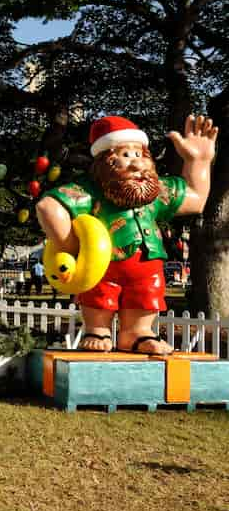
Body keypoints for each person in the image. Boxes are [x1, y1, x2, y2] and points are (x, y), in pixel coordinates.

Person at [36, 115, 216, 354]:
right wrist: (71, 247)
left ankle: (137, 334)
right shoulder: (90, 190)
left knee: (146, 295)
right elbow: (49, 206)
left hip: (147, 266)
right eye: (126, 155)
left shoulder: (156, 192)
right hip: (102, 266)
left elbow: (196, 199)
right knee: (99, 294)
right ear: (105, 162)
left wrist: (198, 162)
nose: (137, 163)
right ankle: (97, 329)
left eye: (140, 155)